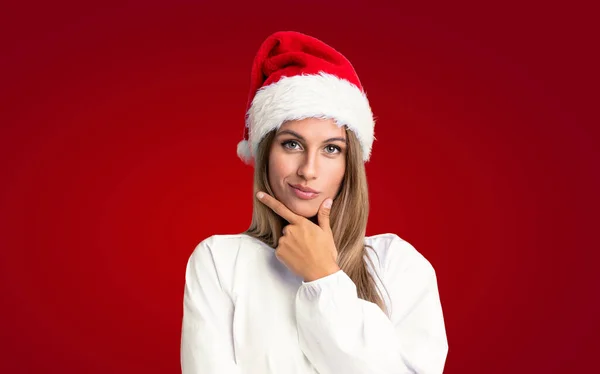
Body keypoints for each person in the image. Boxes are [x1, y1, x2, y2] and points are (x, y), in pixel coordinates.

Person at [180, 31, 448, 374]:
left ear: (348, 165)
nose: (308, 170)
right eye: (292, 144)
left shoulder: (398, 265)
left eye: (331, 149)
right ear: (265, 154)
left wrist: (323, 276)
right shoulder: (219, 260)